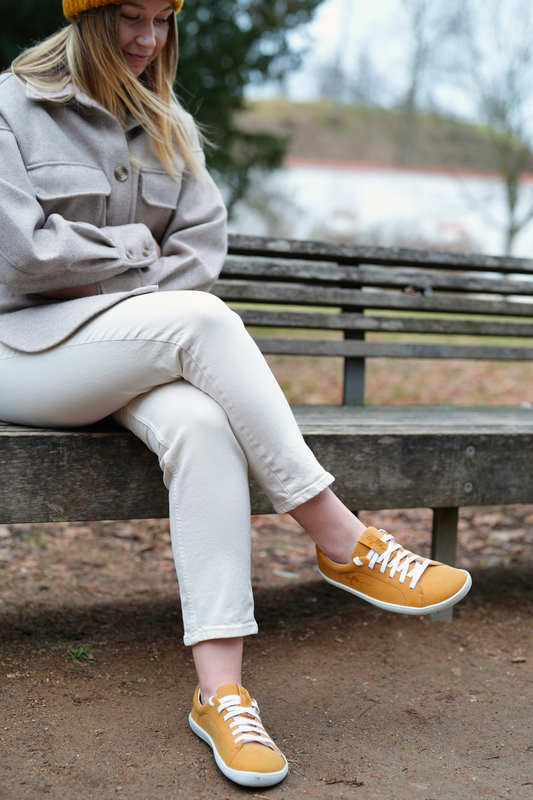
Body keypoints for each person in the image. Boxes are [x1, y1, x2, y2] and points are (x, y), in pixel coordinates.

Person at [0, 0, 472, 788]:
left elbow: (200, 252)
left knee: (199, 420)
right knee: (201, 323)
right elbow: (21, 257)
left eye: (161, 20)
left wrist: (104, 275)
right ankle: (341, 538)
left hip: (127, 348)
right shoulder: (12, 107)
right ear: (85, 18)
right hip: (23, 353)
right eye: (128, 16)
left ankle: (220, 692)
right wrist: (133, 253)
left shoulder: (168, 123)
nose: (147, 40)